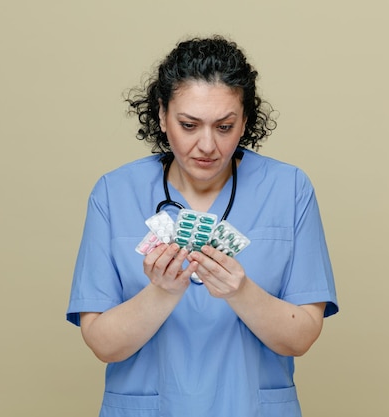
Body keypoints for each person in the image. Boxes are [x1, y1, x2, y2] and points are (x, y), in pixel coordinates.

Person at [66, 35, 338, 417]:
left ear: (245, 121)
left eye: (224, 126)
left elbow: (302, 336)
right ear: (161, 115)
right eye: (189, 125)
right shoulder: (113, 193)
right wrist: (161, 292)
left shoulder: (290, 189)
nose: (207, 145)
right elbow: (102, 344)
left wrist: (239, 290)